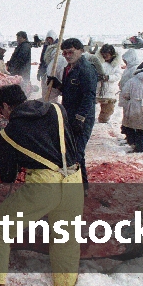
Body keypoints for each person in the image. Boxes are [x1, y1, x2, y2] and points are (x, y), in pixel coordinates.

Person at [0, 84, 83, 286]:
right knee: (65, 239)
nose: (1, 116)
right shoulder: (56, 109)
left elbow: (7, 175)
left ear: (6, 106)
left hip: (44, 185)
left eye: (0, 110)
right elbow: (74, 139)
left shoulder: (9, 133)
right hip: (74, 179)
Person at [47, 38, 97, 188]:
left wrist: (80, 119)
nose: (68, 55)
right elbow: (71, 91)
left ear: (81, 51)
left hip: (82, 118)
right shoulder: (68, 69)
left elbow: (89, 96)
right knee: (72, 151)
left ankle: (81, 187)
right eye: (65, 53)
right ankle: (81, 185)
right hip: (69, 115)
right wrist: (58, 84)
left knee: (76, 153)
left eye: (71, 52)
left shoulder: (86, 69)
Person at [89, 44, 121, 123]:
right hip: (97, 88)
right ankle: (90, 120)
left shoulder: (116, 64)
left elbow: (118, 75)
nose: (105, 56)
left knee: (108, 109)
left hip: (109, 90)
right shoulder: (96, 62)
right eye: (103, 55)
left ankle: (103, 121)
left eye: (106, 55)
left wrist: (108, 78)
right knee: (90, 107)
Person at [38, 30, 66, 101]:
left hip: (53, 74)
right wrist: (39, 71)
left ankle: (51, 107)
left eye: (50, 38)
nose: (49, 40)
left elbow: (57, 63)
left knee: (52, 94)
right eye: (48, 38)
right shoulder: (46, 46)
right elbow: (43, 60)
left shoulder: (58, 47)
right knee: (45, 92)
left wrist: (52, 74)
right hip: (45, 73)